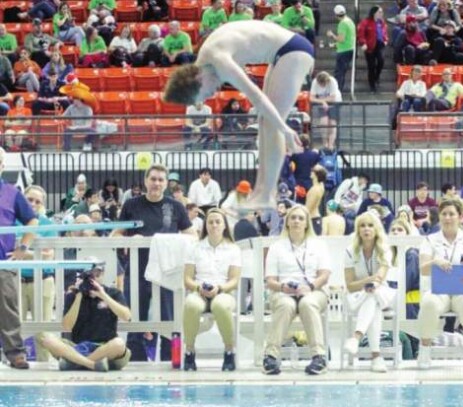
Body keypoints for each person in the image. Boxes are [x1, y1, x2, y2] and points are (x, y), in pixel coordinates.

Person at [163, 20, 314, 211]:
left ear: (198, 79)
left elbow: (257, 98)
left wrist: (285, 130)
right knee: (264, 120)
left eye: (207, 93)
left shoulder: (219, 61)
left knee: (272, 122)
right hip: (281, 53)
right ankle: (260, 191)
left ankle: (267, 195)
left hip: (294, 51)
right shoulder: (204, 60)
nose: (213, 94)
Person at [111, 164, 196, 362]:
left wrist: (169, 242)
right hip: (137, 271)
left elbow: (192, 235)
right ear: (145, 181)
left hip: (168, 274)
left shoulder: (175, 207)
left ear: (166, 184)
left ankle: (171, 361)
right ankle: (135, 365)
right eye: (153, 179)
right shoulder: (131, 205)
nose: (156, 183)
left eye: (160, 180)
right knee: (135, 323)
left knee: (171, 323)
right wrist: (129, 240)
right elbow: (115, 234)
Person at [416, 198, 463, 369]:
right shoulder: (430, 240)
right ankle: (424, 348)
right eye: (444, 214)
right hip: (439, 290)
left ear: (460, 217)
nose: (448, 218)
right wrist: (435, 262)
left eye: (452, 214)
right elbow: (422, 269)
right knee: (428, 303)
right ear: (439, 216)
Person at [262, 204, 331, 375]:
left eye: (301, 218)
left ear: (307, 223)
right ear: (286, 222)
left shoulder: (318, 245)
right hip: (283, 290)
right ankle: (270, 357)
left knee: (308, 304)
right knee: (286, 305)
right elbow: (270, 280)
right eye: (293, 218)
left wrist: (310, 287)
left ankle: (319, 357)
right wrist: (283, 288)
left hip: (313, 290)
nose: (296, 221)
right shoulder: (277, 247)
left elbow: (324, 275)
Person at [38, 259, 132, 371]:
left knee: (119, 344)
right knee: (48, 339)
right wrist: (79, 297)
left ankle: (75, 363)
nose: (93, 279)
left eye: (96, 274)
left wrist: (104, 296)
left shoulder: (113, 293)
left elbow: (127, 317)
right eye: (89, 276)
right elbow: (67, 326)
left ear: (103, 274)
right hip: (78, 347)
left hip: (105, 347)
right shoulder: (73, 295)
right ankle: (92, 365)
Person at [183, 208, 242, 371]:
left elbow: (234, 280)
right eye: (210, 222)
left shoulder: (233, 249)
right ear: (205, 225)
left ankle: (229, 351)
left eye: (218, 222)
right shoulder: (195, 247)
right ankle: (189, 351)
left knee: (220, 305)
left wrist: (219, 288)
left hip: (223, 291)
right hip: (199, 290)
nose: (214, 225)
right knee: (191, 304)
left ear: (224, 226)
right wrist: (198, 287)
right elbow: (187, 279)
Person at [0, 147, 38, 369]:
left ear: (2, 166)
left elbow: (32, 221)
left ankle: (15, 353)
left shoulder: (13, 193)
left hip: (4, 262)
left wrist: (23, 246)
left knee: (8, 309)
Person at [343, 211, 394, 372]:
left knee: (373, 296)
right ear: (358, 230)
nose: (366, 229)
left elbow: (380, 278)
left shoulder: (385, 250)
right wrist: (367, 282)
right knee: (372, 301)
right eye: (362, 226)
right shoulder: (350, 251)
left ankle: (356, 337)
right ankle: (376, 357)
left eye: (370, 225)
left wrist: (371, 283)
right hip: (357, 295)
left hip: (381, 293)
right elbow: (350, 285)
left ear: (377, 229)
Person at [19, 185, 56, 362]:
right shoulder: (12, 221)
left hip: (42, 282)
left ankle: (45, 372)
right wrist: (36, 253)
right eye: (29, 200)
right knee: (12, 332)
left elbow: (50, 256)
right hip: (15, 281)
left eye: (37, 201)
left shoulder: (48, 224)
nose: (33, 204)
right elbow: (7, 251)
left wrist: (23, 252)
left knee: (43, 335)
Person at [389, 219, 420, 319]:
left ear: (407, 234)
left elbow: (405, 284)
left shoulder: (411, 255)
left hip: (411, 303)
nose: (395, 232)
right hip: (398, 296)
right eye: (393, 230)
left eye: (400, 230)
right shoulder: (393, 256)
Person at [357, 6, 388, 93]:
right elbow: (361, 34)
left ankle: (376, 76)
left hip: (379, 45)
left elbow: (384, 32)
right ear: (374, 13)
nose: (381, 14)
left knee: (381, 61)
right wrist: (363, 43)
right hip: (369, 46)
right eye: (379, 12)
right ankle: (372, 85)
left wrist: (385, 40)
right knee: (371, 66)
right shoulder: (365, 22)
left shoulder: (382, 23)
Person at [326, 5, 356, 92]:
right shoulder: (350, 21)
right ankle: (339, 90)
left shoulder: (342, 23)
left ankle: (337, 91)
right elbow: (348, 38)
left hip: (343, 51)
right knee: (341, 72)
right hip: (349, 49)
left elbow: (341, 39)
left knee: (339, 73)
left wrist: (332, 35)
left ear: (336, 14)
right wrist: (336, 44)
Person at [309, 71, 341, 150]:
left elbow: (332, 97)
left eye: (324, 84)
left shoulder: (332, 81)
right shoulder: (315, 82)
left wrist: (322, 100)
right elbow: (311, 98)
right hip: (322, 103)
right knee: (324, 122)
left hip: (334, 102)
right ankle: (325, 142)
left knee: (332, 123)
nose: (322, 86)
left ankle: (331, 144)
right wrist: (323, 102)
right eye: (321, 84)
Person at [61, 82, 97, 151]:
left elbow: (88, 125)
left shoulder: (88, 109)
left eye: (74, 99)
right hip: (74, 128)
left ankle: (87, 143)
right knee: (66, 131)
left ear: (79, 100)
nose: (73, 100)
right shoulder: (71, 107)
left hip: (84, 128)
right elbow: (63, 116)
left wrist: (76, 127)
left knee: (93, 131)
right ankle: (66, 149)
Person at [305, 164, 326, 235]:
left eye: (312, 170)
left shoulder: (314, 190)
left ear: (316, 174)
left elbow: (308, 209)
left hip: (312, 219)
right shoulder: (321, 186)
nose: (311, 172)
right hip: (316, 219)